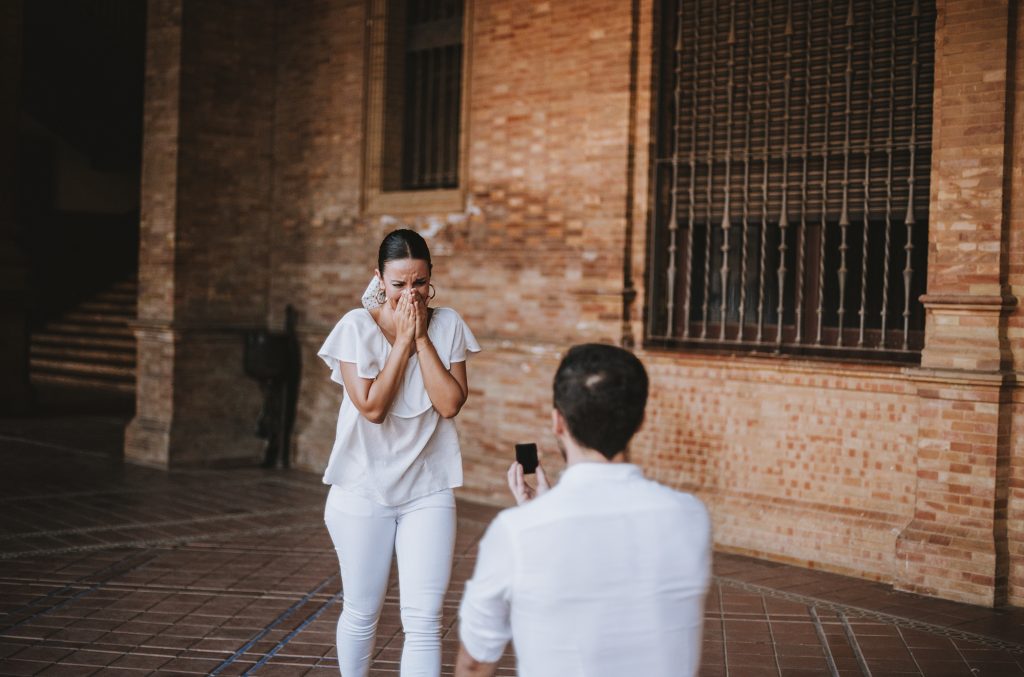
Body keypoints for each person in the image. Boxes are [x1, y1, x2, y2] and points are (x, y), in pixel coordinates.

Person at [455, 344, 712, 677]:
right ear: (640, 421)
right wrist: (544, 510)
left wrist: (539, 515)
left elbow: (475, 663)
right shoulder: (691, 517)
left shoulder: (516, 532)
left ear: (558, 422)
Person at [317, 228, 480, 677]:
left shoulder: (448, 325)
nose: (411, 293)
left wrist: (422, 339)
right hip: (361, 489)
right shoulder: (355, 327)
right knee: (362, 611)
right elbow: (372, 408)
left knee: (424, 621)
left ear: (431, 278)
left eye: (420, 282)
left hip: (427, 488)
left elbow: (450, 404)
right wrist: (402, 342)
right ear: (379, 279)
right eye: (399, 283)